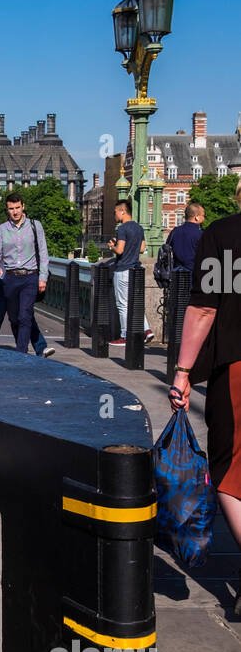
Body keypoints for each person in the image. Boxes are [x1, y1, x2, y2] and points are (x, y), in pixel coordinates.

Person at [169, 181, 241, 615]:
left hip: (236, 365)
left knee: (230, 467)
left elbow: (204, 308)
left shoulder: (224, 234)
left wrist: (181, 372)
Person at [0, 192, 49, 354]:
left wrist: (43, 277)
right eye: (11, 208)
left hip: (30, 276)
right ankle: (24, 347)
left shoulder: (35, 226)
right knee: (14, 318)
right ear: (7, 210)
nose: (15, 211)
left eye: (17, 208)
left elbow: (43, 253)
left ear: (23, 207)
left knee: (25, 315)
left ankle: (22, 353)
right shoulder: (1, 230)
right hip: (10, 278)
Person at [107, 199, 154, 347]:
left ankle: (124, 336)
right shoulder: (139, 228)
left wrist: (112, 247)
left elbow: (120, 250)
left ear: (122, 211)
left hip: (123, 269)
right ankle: (146, 330)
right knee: (135, 303)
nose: (114, 214)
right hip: (135, 270)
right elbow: (141, 249)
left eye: (115, 212)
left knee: (122, 304)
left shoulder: (122, 228)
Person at [0, 276, 55, 357]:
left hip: (23, 283)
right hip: (4, 283)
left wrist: (42, 278)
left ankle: (39, 347)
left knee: (26, 316)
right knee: (0, 316)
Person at [168, 202, 205, 273]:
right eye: (203, 215)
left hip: (176, 273)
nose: (204, 218)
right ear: (196, 217)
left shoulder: (175, 231)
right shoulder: (200, 234)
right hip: (193, 273)